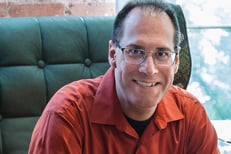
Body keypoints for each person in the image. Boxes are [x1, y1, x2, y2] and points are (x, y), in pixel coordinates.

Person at [29, 0, 219, 153]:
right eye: (136, 51)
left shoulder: (191, 115)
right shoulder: (66, 115)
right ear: (113, 55)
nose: (149, 69)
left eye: (162, 54)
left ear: (175, 62)